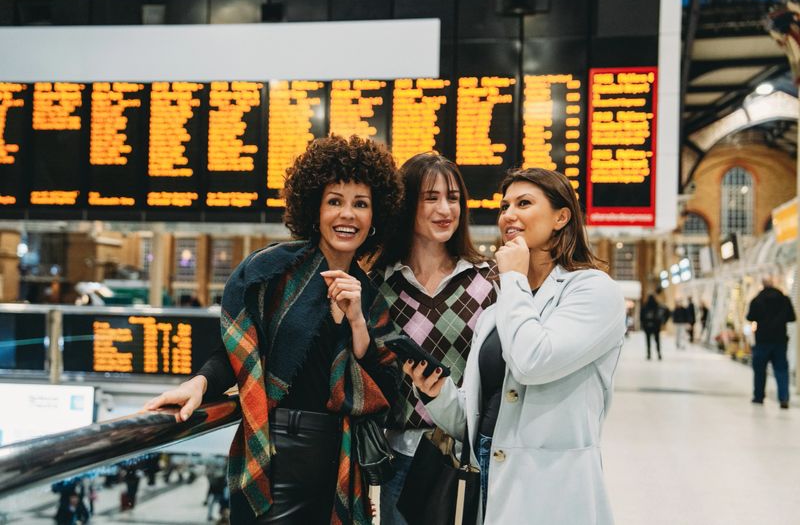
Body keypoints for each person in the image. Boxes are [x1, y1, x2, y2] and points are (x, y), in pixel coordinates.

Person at [144, 135, 403, 524]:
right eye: (335, 201)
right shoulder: (275, 272)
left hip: (339, 462)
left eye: (360, 204)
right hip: (275, 453)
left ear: (374, 216)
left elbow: (385, 387)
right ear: (314, 208)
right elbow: (238, 349)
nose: (347, 215)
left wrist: (356, 322)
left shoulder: (370, 294)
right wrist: (198, 384)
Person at [405, 168, 625, 524]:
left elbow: (532, 362)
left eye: (524, 203)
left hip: (551, 483)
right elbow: (471, 418)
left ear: (561, 217)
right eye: (505, 205)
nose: (509, 215)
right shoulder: (497, 310)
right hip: (490, 474)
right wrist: (438, 393)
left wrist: (512, 277)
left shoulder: (594, 291)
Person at [371, 153, 496, 525]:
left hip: (468, 458)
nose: (445, 209)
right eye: (431, 197)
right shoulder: (379, 282)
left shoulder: (488, 280)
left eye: (453, 197)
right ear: (407, 203)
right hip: (401, 458)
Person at [746, 278, 795, 408]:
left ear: (762, 284)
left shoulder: (757, 300)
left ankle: (758, 396)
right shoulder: (784, 299)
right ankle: (784, 398)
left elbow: (750, 317)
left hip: (762, 340)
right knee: (781, 370)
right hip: (780, 340)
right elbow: (792, 317)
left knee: (760, 370)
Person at [640, 294, 668, 360]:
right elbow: (666, 312)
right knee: (657, 340)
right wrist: (663, 322)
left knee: (648, 341)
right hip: (656, 326)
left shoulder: (645, 306)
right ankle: (659, 354)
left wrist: (643, 325)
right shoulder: (657, 306)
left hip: (648, 326)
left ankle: (649, 354)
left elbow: (641, 317)